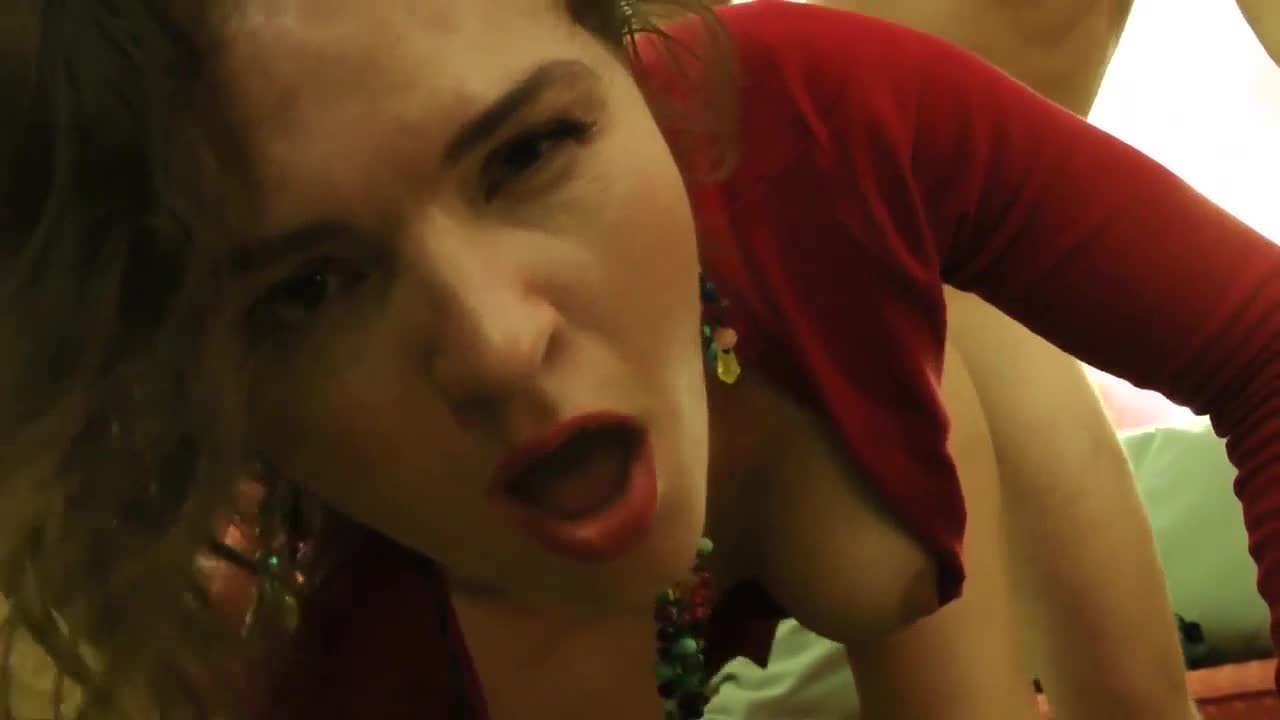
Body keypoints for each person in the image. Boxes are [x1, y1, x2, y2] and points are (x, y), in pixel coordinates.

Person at [1, 2, 1277, 720]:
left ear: (624, 50)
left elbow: (1256, 339)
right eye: (309, 290)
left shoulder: (811, 134)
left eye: (528, 152)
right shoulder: (300, 646)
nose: (501, 345)